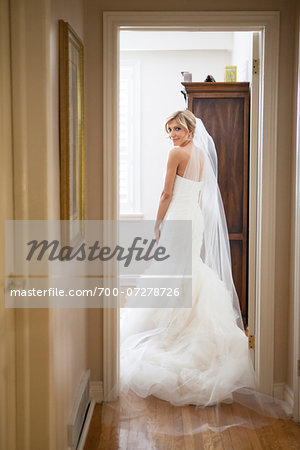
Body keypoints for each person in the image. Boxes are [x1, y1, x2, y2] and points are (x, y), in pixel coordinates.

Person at [106, 110, 289, 434]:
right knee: (185, 270)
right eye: (170, 130)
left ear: (190, 129)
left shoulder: (177, 153)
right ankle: (184, 325)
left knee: (174, 270)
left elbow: (166, 193)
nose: (173, 134)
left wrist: (158, 222)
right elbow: (202, 193)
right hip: (194, 218)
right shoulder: (202, 154)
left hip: (177, 216)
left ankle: (172, 330)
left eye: (177, 128)